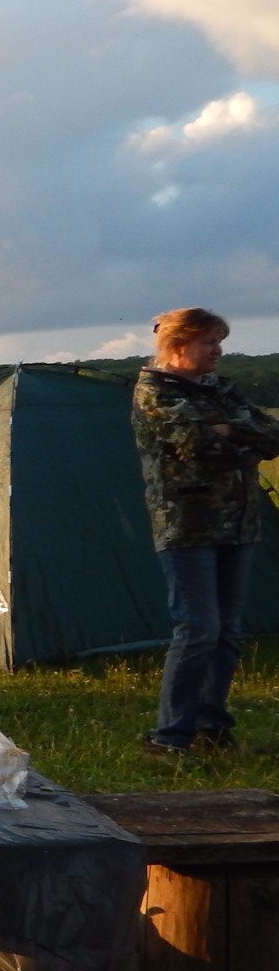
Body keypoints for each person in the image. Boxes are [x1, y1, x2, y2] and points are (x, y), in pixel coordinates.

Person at [132, 308, 279, 756]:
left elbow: (271, 437)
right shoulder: (154, 391)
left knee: (227, 630)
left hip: (238, 521)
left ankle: (211, 727)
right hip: (187, 523)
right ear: (179, 346)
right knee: (198, 628)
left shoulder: (221, 390)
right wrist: (237, 437)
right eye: (208, 343)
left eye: (219, 342)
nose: (217, 351)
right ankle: (171, 736)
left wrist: (229, 428)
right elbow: (198, 445)